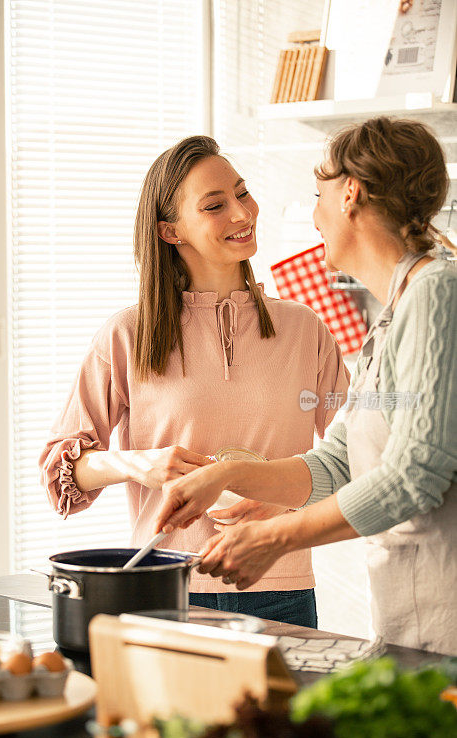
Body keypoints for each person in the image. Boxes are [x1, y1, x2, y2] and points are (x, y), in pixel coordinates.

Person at [155, 117, 457, 656]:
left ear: (351, 194)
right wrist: (230, 475)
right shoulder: (395, 311)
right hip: (410, 620)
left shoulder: (439, 295)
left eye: (318, 195)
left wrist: (275, 537)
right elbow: (339, 462)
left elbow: (415, 473)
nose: (314, 215)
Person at [39, 135, 349, 627]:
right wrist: (137, 463)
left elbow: (365, 455)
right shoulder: (127, 335)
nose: (243, 213)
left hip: (279, 584)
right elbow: (63, 477)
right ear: (169, 230)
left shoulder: (304, 328)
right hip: (164, 588)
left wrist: (283, 500)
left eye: (243, 193)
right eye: (215, 205)